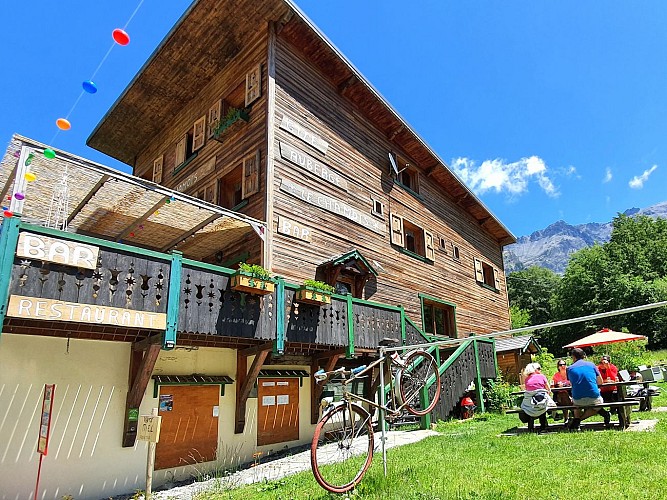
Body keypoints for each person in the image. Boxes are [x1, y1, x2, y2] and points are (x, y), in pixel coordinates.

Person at [566, 348, 612, 430]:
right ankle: (580, 420)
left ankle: (577, 421)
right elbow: (600, 382)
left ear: (573, 357)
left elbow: (572, 383)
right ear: (583, 355)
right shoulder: (592, 365)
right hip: (593, 396)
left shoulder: (569, 369)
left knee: (576, 405)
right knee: (596, 406)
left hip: (578, 398)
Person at [519, 363, 556, 432]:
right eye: (538, 368)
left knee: (535, 404)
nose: (540, 370)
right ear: (534, 370)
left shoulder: (527, 379)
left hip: (530, 405)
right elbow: (549, 389)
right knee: (542, 403)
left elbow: (527, 390)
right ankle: (543, 427)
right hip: (541, 403)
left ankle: (531, 428)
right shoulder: (541, 376)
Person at [551, 359, 572, 423]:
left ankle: (566, 418)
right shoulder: (556, 376)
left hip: (571, 394)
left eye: (564, 364)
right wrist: (557, 386)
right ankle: (569, 416)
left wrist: (565, 385)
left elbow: (573, 384)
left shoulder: (570, 374)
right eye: (561, 365)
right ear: (558, 367)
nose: (563, 366)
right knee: (563, 395)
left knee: (564, 395)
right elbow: (552, 387)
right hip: (559, 396)